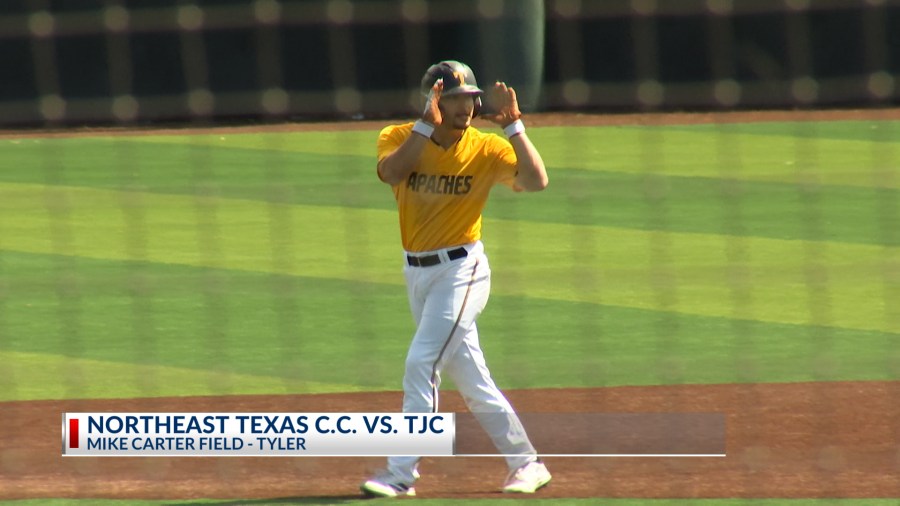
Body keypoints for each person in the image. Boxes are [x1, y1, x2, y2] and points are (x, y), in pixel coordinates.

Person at [360, 60, 551, 497]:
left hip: (462, 272)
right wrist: (424, 129)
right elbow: (391, 173)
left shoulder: (486, 148)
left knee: (421, 364)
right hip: (417, 274)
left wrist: (515, 128)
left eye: (470, 99)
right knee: (473, 379)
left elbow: (537, 182)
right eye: (455, 98)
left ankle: (400, 473)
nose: (467, 107)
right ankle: (528, 463)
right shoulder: (398, 137)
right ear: (433, 100)